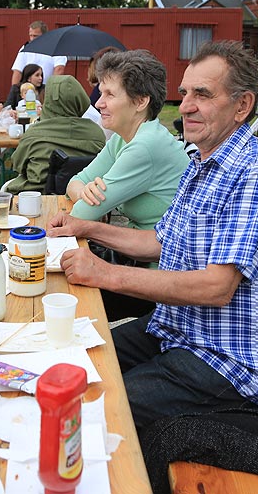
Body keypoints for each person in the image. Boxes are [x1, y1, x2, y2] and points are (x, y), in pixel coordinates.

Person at [48, 40, 258, 434]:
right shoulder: (201, 162)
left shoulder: (257, 171)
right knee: (72, 361)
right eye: (185, 93)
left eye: (203, 95)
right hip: (177, 327)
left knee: (95, 407)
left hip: (227, 360)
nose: (187, 106)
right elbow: (160, 242)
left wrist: (103, 274)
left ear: (242, 106)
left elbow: (217, 287)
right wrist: (87, 228)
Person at [63, 50, 189, 320]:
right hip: (132, 259)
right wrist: (83, 191)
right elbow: (75, 182)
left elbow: (81, 215)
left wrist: (84, 198)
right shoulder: (124, 138)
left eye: (110, 94)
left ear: (141, 101)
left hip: (161, 279)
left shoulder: (145, 146)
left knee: (65, 299)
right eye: (100, 92)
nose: (99, 103)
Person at [5, 75, 106, 194]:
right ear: (80, 99)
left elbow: (18, 165)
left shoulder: (33, 133)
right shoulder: (97, 133)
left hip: (37, 196)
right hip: (85, 195)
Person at [11, 21, 67, 85]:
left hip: (47, 88)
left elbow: (59, 70)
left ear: (45, 35)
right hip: (28, 89)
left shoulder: (57, 48)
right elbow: (17, 71)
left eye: (35, 36)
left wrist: (51, 90)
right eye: (30, 35)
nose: (32, 39)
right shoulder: (25, 48)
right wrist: (14, 91)